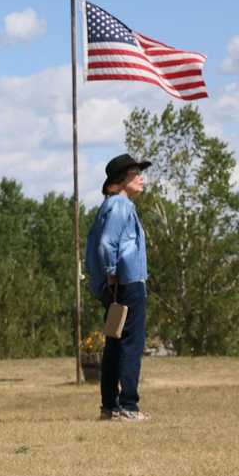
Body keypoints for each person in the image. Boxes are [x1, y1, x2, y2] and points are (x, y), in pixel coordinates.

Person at [86, 153, 151, 421]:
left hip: (119, 283)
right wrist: (113, 273)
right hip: (127, 281)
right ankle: (128, 405)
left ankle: (110, 405)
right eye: (135, 174)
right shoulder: (121, 205)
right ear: (120, 181)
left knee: (115, 342)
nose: (141, 178)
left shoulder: (112, 205)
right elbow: (106, 244)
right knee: (130, 344)